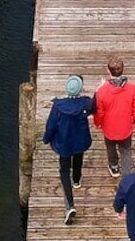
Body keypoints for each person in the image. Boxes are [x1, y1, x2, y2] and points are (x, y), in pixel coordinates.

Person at [42, 75, 94, 225]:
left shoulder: (58, 107)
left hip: (63, 143)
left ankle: (70, 205)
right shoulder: (85, 104)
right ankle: (77, 180)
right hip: (80, 141)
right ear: (80, 89)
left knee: (64, 170)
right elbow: (94, 106)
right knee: (78, 158)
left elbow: (51, 126)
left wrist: (46, 139)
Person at [94, 56, 135, 177]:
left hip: (109, 129)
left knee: (110, 148)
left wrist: (97, 123)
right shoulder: (132, 89)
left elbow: (99, 112)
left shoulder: (102, 91)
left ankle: (114, 167)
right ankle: (127, 174)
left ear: (108, 72)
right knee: (126, 151)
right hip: (125, 128)